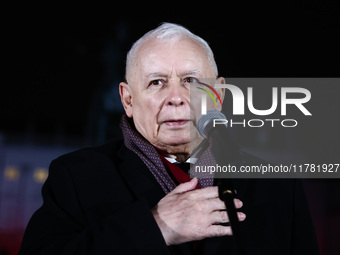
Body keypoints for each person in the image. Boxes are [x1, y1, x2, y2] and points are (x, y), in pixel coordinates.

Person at [19, 23, 319, 255]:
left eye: (191, 81)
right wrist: (155, 227)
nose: (176, 98)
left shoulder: (278, 186)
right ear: (128, 100)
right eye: (156, 82)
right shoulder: (76, 177)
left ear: (219, 95)